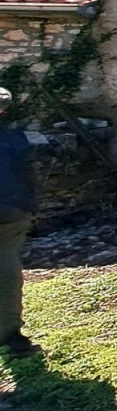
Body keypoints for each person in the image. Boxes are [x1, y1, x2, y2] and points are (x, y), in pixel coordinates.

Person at [0, 87, 40, 355]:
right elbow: (27, 177)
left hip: (9, 214)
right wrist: (29, 208)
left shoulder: (13, 141)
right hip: (9, 212)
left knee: (7, 272)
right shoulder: (13, 140)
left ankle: (10, 334)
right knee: (6, 274)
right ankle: (9, 335)